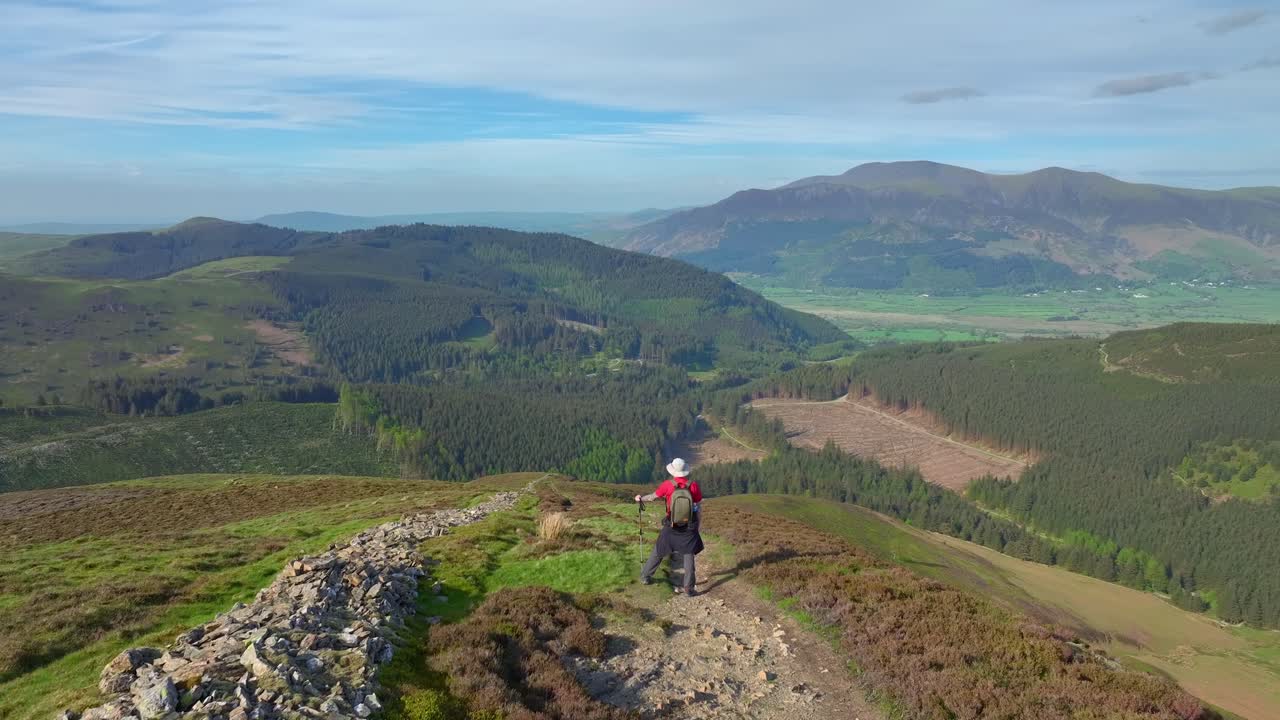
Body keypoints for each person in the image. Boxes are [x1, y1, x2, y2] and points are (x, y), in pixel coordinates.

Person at [635, 457, 704, 596]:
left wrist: (640, 498)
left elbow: (653, 496)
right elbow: (699, 505)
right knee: (688, 555)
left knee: (659, 550)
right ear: (685, 471)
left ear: (673, 471)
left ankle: (645, 576)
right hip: (689, 526)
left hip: (671, 525)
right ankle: (689, 589)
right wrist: (697, 525)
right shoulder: (693, 485)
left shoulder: (668, 485)